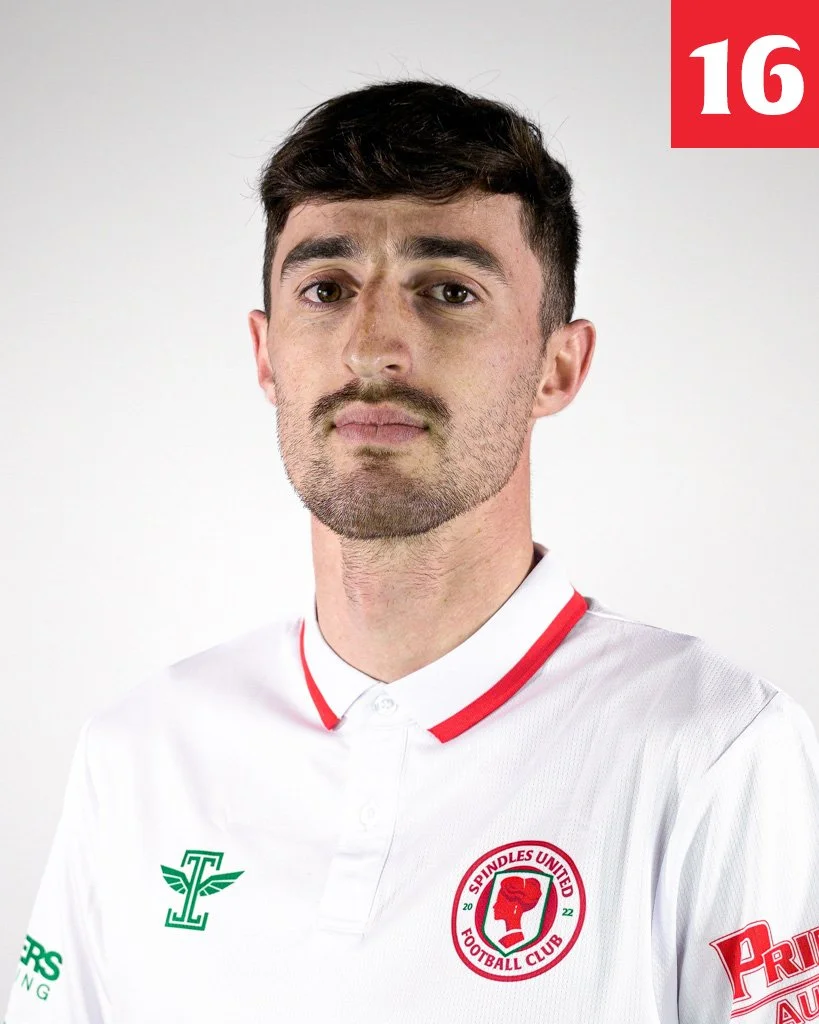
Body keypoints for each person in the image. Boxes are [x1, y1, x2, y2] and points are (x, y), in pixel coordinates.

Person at [4, 77, 818, 1024]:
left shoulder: (714, 748)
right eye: (324, 289)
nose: (374, 346)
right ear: (266, 357)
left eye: (447, 290)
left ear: (558, 366)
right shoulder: (139, 752)